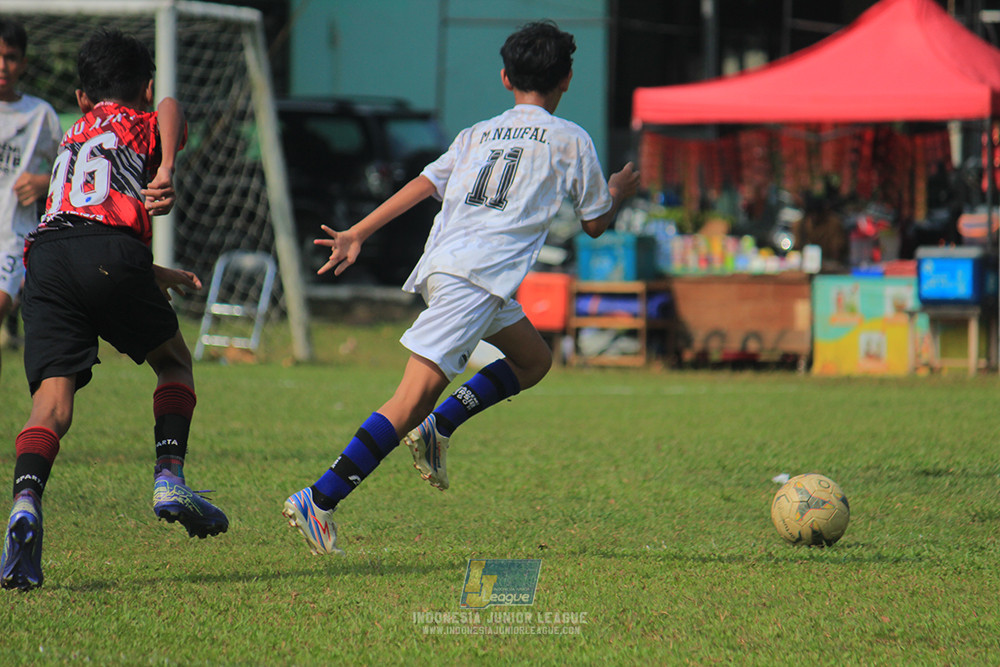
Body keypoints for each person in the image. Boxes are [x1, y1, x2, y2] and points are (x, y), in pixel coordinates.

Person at [282, 20, 640, 555]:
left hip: (454, 270)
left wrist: (359, 230)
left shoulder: (478, 132)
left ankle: (438, 427)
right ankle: (320, 498)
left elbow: (424, 185)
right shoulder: (571, 140)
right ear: (567, 78)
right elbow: (595, 223)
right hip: (476, 279)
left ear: (504, 78)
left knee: (533, 361)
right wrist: (615, 191)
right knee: (407, 400)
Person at [0, 29, 228, 592]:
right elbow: (171, 107)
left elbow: (75, 225)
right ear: (144, 88)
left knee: (50, 404)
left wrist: (149, 272)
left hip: (46, 261)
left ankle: (25, 501)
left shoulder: (71, 136)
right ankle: (169, 476)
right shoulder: (143, 120)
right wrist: (167, 169)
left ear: (81, 97)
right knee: (174, 362)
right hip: (109, 254)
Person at [0, 18, 62, 381]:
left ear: (23, 63)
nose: (2, 65)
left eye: (10, 57)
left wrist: (44, 180)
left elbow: (74, 168)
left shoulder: (41, 116)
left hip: (11, 237)